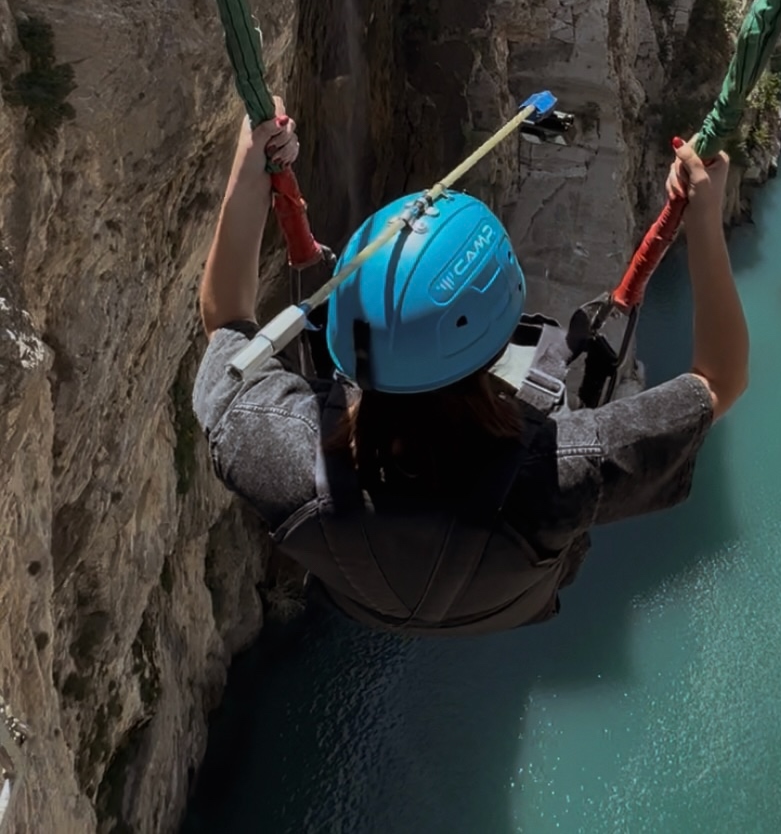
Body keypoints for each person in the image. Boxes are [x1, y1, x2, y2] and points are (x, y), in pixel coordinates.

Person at [193, 106, 749, 636]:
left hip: (364, 590)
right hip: (514, 594)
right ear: (502, 339)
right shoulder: (562, 470)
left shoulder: (287, 454)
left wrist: (250, 160)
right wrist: (704, 216)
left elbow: (226, 324)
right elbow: (721, 380)